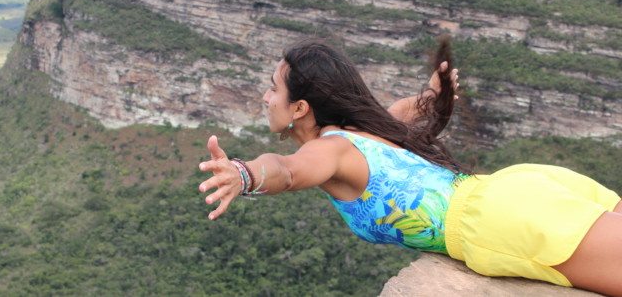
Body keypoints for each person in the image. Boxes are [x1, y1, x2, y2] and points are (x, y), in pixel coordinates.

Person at [198, 38, 622, 295]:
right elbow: (414, 108)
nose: (265, 97)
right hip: (515, 190)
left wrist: (245, 174)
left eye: (273, 89)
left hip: (498, 222)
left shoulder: (332, 150)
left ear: (300, 108)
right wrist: (434, 94)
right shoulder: (367, 129)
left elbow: (287, 170)